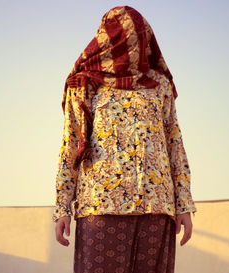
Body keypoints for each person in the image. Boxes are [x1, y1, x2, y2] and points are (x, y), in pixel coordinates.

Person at [52, 5, 197, 273]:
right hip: (102, 205)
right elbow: (71, 145)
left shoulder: (159, 84)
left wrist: (184, 204)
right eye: (122, 36)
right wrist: (62, 208)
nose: (131, 44)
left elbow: (174, 143)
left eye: (138, 37)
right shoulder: (84, 84)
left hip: (156, 205)